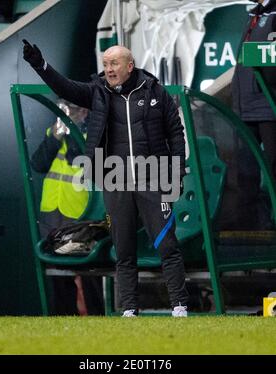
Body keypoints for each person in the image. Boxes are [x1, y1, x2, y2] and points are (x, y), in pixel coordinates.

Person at [23, 40, 189, 317]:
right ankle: (129, 309)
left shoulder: (155, 91)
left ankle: (179, 306)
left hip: (154, 180)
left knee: (167, 246)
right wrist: (40, 65)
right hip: (116, 181)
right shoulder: (98, 93)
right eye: (105, 64)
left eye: (114, 64)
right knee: (123, 249)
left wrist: (177, 171)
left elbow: (176, 133)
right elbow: (65, 87)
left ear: (129, 65)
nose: (109, 70)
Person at [31, 100, 104, 316]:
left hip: (81, 213)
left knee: (90, 271)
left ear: (84, 111)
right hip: (52, 213)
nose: (68, 112)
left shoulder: (92, 133)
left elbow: (79, 158)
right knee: (57, 271)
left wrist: (69, 128)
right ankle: (63, 319)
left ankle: (97, 318)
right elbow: (38, 163)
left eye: (72, 108)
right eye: (64, 107)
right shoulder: (54, 132)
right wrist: (55, 134)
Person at [232, 0, 276, 229]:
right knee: (245, 169)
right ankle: (248, 222)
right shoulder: (254, 15)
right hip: (245, 106)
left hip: (269, 105)